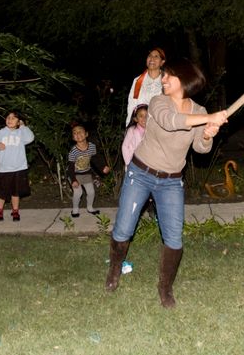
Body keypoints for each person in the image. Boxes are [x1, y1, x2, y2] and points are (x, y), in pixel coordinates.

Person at [106, 58, 228, 308]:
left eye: (168, 75)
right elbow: (171, 121)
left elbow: (201, 148)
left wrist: (207, 134)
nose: (163, 79)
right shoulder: (158, 102)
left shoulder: (199, 111)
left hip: (171, 182)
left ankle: (165, 288)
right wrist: (210, 117)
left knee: (174, 238)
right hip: (140, 174)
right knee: (124, 228)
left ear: (183, 80)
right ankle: (115, 269)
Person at [0, 109, 34, 222]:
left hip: (18, 168)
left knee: (15, 192)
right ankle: (0, 211)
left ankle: (15, 211)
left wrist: (23, 126)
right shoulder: (1, 133)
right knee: (2, 192)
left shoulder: (21, 133)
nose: (10, 120)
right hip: (4, 169)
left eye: (13, 118)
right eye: (8, 117)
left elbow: (30, 138)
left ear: (19, 121)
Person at [67, 124, 110, 218]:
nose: (78, 134)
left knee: (91, 192)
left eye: (80, 131)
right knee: (78, 192)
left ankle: (90, 207)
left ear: (86, 134)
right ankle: (75, 209)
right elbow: (70, 168)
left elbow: (95, 159)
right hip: (74, 174)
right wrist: (73, 180)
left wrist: (103, 167)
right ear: (73, 138)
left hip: (86, 173)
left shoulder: (92, 147)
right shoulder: (73, 151)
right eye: (75, 133)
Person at [125, 47, 166, 125]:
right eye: (150, 55)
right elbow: (132, 104)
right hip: (141, 125)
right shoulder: (138, 81)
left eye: (156, 56)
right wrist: (129, 125)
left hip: (159, 124)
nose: (152, 58)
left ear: (162, 62)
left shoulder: (167, 81)